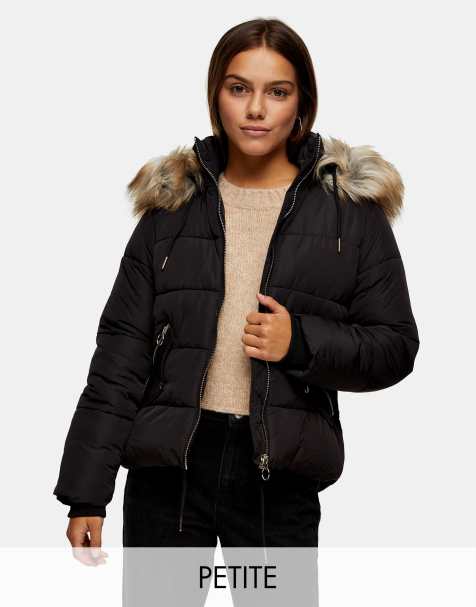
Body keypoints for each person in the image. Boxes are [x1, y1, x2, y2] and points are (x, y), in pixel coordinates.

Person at [53, 17, 419, 600]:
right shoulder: (172, 210)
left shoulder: (349, 214)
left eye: (278, 91)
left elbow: (395, 345)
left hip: (278, 472)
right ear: (216, 95)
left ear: (302, 104)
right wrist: (86, 493)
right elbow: (119, 356)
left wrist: (300, 342)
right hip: (169, 471)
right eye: (239, 87)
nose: (256, 108)